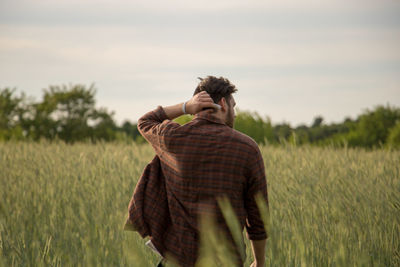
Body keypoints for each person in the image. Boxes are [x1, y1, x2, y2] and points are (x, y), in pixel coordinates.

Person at [125, 76, 269, 267]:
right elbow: (258, 216)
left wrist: (185, 107)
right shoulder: (247, 148)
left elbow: (145, 121)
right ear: (224, 104)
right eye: (234, 107)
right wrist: (259, 262)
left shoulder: (174, 137)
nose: (234, 114)